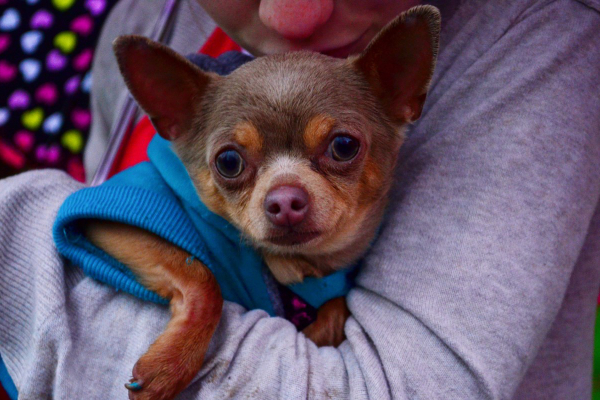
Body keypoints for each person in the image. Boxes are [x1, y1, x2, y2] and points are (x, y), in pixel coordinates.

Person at [1, 0, 599, 398]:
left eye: (340, 149)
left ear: (401, 95)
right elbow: (98, 225)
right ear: (174, 117)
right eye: (232, 164)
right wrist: (196, 298)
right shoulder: (151, 12)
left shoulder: (541, 42)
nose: (294, 13)